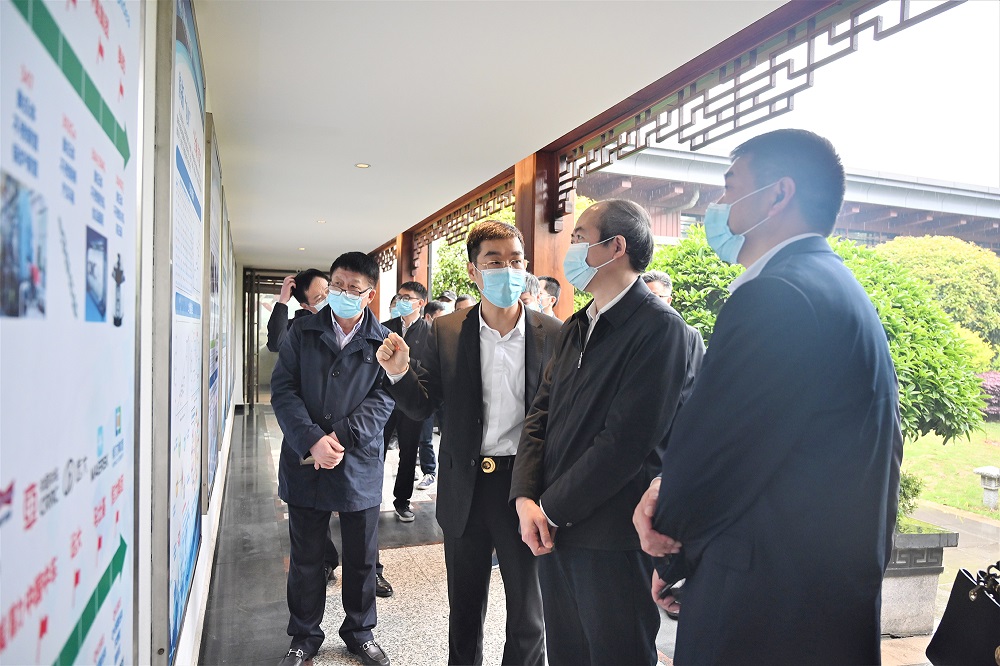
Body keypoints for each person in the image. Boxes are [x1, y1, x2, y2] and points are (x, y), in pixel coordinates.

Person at [634, 129, 902, 664]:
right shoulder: (833, 285)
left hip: (765, 599)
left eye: (731, 185)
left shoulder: (778, 293)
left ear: (778, 193)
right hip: (815, 588)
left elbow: (717, 446)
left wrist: (669, 548)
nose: (720, 203)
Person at [510, 199, 699, 666]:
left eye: (579, 237)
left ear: (616, 247)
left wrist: (550, 509)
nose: (571, 248)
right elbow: (540, 414)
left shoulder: (661, 330)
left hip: (611, 537)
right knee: (567, 653)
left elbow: (625, 444)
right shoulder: (577, 325)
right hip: (555, 529)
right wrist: (526, 497)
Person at [376, 220, 561, 666]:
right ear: (473, 271)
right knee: (464, 609)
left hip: (526, 488)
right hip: (466, 487)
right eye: (494, 262)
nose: (507, 270)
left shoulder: (554, 333)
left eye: (515, 260)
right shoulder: (447, 331)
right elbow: (422, 406)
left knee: (529, 614)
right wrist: (399, 373)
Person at [271, 252, 394, 666]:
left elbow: (385, 399)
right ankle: (304, 635)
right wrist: (312, 440)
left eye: (352, 288)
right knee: (306, 558)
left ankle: (360, 632)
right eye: (336, 284)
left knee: (362, 558)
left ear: (369, 295)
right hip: (305, 461)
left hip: (357, 462)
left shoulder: (385, 342)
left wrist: (338, 438)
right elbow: (284, 389)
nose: (342, 293)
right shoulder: (301, 331)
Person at [380, 281, 435, 520]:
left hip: (412, 401)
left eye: (407, 298)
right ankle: (368, 497)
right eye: (399, 297)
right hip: (384, 399)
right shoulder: (385, 327)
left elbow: (430, 369)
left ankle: (402, 501)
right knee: (376, 449)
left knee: (409, 452)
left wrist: (406, 362)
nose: (401, 301)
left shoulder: (430, 332)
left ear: (420, 303)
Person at [266, 269, 328, 352]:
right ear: (305, 306)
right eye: (319, 299)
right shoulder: (300, 328)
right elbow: (277, 344)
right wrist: (283, 301)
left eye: (328, 291)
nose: (328, 298)